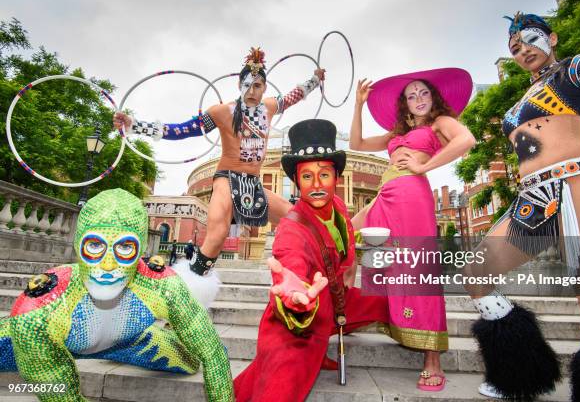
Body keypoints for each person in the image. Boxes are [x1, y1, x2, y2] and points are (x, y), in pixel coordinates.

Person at [461, 13, 580, 401]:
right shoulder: (524, 96)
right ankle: (519, 372)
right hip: (534, 199)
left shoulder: (571, 71)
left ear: (552, 38)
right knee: (477, 273)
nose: (523, 50)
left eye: (531, 40)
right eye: (515, 48)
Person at [0, 189, 233, 401]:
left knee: (188, 359)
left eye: (124, 248)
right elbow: (59, 392)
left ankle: (123, 339)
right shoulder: (41, 307)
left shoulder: (163, 286)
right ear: (77, 245)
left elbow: (212, 353)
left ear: (141, 250)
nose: (109, 265)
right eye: (94, 246)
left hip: (133, 340)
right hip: (42, 343)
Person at [114, 47, 326, 276]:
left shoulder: (270, 107)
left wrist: (315, 79)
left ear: (264, 87)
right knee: (217, 233)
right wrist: (134, 125)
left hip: (252, 185)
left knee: (298, 219)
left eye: (257, 86)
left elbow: (296, 95)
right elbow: (182, 129)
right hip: (227, 179)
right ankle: (191, 285)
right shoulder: (222, 111)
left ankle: (307, 273)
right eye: (247, 85)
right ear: (239, 85)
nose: (251, 91)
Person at [233, 119, 389, 402]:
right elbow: (290, 261)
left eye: (324, 175)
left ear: (337, 178)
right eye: (307, 177)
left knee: (397, 300)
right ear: (296, 182)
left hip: (334, 305)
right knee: (276, 391)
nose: (316, 185)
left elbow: (348, 251)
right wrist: (295, 293)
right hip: (295, 324)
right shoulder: (292, 229)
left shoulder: (339, 209)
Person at [350, 68, 475, 391]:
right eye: (411, 95)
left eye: (423, 93)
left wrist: (423, 166)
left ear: (432, 97)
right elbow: (357, 143)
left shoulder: (440, 123)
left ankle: (432, 360)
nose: (418, 99)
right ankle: (348, 312)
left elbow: (467, 140)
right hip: (385, 195)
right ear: (404, 104)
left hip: (410, 196)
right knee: (346, 237)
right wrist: (358, 105)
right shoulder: (395, 135)